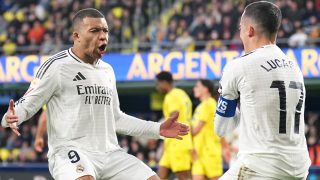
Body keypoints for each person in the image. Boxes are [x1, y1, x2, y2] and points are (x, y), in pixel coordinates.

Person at [2, 8, 190, 180]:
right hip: (70, 151)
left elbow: (116, 119)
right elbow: (26, 104)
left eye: (105, 31)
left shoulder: (107, 71)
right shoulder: (57, 67)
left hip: (109, 154)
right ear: (76, 36)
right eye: (95, 31)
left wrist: (158, 130)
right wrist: (10, 117)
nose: (103, 37)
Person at [214, 1, 311, 179]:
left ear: (249, 30)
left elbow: (222, 128)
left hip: (260, 168)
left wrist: (236, 104)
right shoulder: (295, 67)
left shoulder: (238, 66)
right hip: (299, 168)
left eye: (240, 27)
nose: (240, 33)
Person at [155, 71, 193, 180]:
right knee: (159, 176)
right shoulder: (182, 93)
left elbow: (173, 116)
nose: (157, 87)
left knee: (183, 177)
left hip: (178, 141)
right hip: (173, 142)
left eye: (158, 84)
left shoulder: (171, 96)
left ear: (164, 82)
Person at [191, 79, 222, 180]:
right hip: (198, 152)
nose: (194, 89)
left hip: (210, 152)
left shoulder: (209, 104)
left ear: (205, 89)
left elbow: (195, 130)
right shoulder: (201, 106)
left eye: (197, 86)